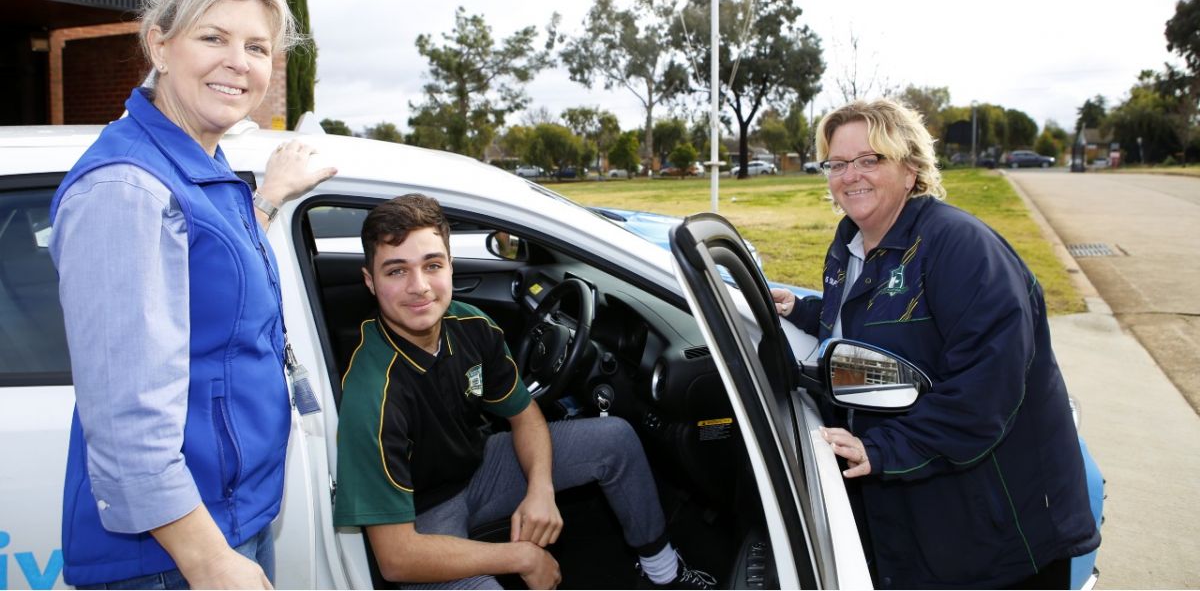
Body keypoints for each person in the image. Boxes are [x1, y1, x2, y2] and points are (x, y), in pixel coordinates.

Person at [49, 0, 337, 589]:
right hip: (175, 554)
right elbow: (127, 416)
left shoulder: (195, 163)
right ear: (159, 43)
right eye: (214, 38)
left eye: (256, 47)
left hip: (225, 520)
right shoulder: (126, 188)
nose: (239, 62)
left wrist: (267, 198)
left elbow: (206, 283)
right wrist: (206, 559)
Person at [770, 99, 1099, 589]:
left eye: (870, 159)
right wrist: (802, 308)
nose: (850, 176)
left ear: (910, 169)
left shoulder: (961, 249)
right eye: (837, 164)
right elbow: (869, 323)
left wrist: (880, 450)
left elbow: (985, 395)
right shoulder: (851, 246)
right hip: (924, 523)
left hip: (995, 535)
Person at [333, 194, 716, 590]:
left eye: (432, 265)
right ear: (370, 281)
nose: (419, 287)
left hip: (478, 468)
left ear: (450, 266)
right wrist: (522, 556)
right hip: (418, 516)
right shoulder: (372, 395)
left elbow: (524, 413)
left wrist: (540, 488)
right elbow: (397, 557)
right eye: (396, 271)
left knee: (615, 438)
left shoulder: (472, 326)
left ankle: (664, 572)